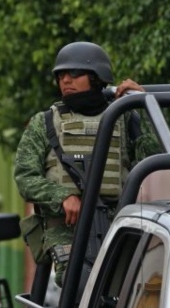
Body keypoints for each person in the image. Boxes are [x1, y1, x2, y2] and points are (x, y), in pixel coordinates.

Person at [14, 42, 161, 287]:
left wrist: (141, 104)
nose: (65, 81)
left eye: (74, 73)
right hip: (65, 227)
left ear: (96, 77)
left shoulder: (123, 116)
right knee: (78, 281)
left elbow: (154, 157)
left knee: (133, 288)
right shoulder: (45, 122)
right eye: (61, 75)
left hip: (116, 221)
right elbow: (25, 177)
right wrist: (62, 196)